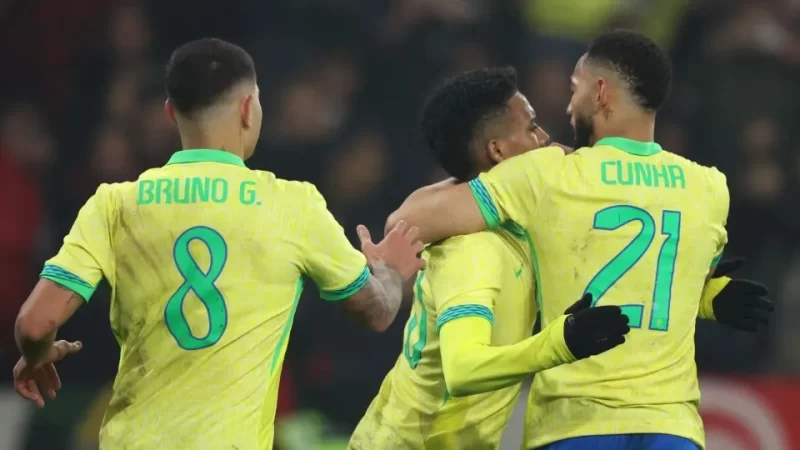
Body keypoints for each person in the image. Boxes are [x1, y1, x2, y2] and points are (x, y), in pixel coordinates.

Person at [12, 38, 425, 450]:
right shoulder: (292, 205)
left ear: (171, 112)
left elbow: (34, 324)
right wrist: (390, 271)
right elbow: (377, 311)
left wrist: (37, 354)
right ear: (248, 108)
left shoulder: (114, 204)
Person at [386, 30, 773, 450]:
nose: (568, 107)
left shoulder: (549, 175)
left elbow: (407, 223)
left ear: (600, 92)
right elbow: (661, 281)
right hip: (672, 427)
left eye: (574, 90)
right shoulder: (709, 187)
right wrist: (707, 298)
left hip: (575, 423)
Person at [350, 68, 631, 450]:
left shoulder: (504, 219)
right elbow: (463, 368)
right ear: (498, 151)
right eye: (532, 127)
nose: (546, 139)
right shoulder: (474, 248)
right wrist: (560, 343)